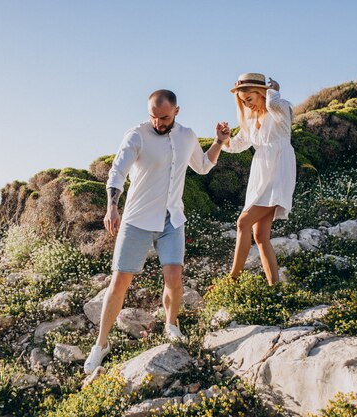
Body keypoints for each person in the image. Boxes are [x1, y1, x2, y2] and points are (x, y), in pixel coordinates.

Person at [83, 89, 229, 374]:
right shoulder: (137, 135)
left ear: (176, 111)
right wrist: (112, 207)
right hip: (137, 220)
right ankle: (101, 344)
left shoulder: (186, 136)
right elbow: (117, 173)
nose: (158, 123)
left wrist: (219, 142)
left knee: (174, 277)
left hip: (172, 220)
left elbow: (202, 166)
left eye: (163, 117)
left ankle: (171, 325)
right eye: (153, 116)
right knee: (120, 281)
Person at [219, 72, 296, 286]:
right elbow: (237, 145)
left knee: (242, 222)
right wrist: (224, 140)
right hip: (260, 175)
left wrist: (273, 91)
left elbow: (276, 105)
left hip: (278, 173)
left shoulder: (279, 111)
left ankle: (232, 279)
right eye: (244, 102)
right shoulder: (251, 121)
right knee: (261, 236)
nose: (248, 105)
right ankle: (275, 288)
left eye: (250, 99)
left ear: (261, 93)